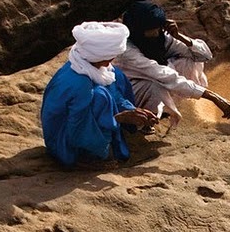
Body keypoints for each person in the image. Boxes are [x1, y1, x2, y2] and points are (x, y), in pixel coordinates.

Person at [41, 21, 158, 165]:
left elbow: (115, 94)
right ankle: (93, 155)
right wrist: (117, 119)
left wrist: (132, 111)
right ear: (100, 55)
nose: (113, 58)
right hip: (66, 141)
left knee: (118, 77)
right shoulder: (80, 83)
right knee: (101, 96)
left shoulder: (87, 64)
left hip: (81, 124)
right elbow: (77, 131)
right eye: (111, 54)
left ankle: (110, 132)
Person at [115, 1, 230, 127]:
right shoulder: (126, 50)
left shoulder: (161, 37)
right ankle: (145, 120)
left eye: (158, 28)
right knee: (154, 87)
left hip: (157, 78)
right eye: (151, 30)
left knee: (189, 62)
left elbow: (204, 56)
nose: (157, 33)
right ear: (137, 30)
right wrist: (212, 97)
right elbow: (162, 74)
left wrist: (179, 36)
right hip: (131, 88)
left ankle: (167, 106)